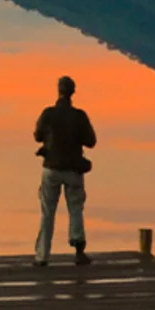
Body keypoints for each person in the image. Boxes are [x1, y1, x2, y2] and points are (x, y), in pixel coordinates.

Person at [32, 75, 96, 266]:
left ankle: (42, 256)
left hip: (51, 168)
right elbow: (91, 141)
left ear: (58, 91)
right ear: (73, 93)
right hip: (73, 171)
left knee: (47, 212)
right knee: (75, 209)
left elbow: (37, 136)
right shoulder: (79, 116)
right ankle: (78, 252)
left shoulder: (48, 114)